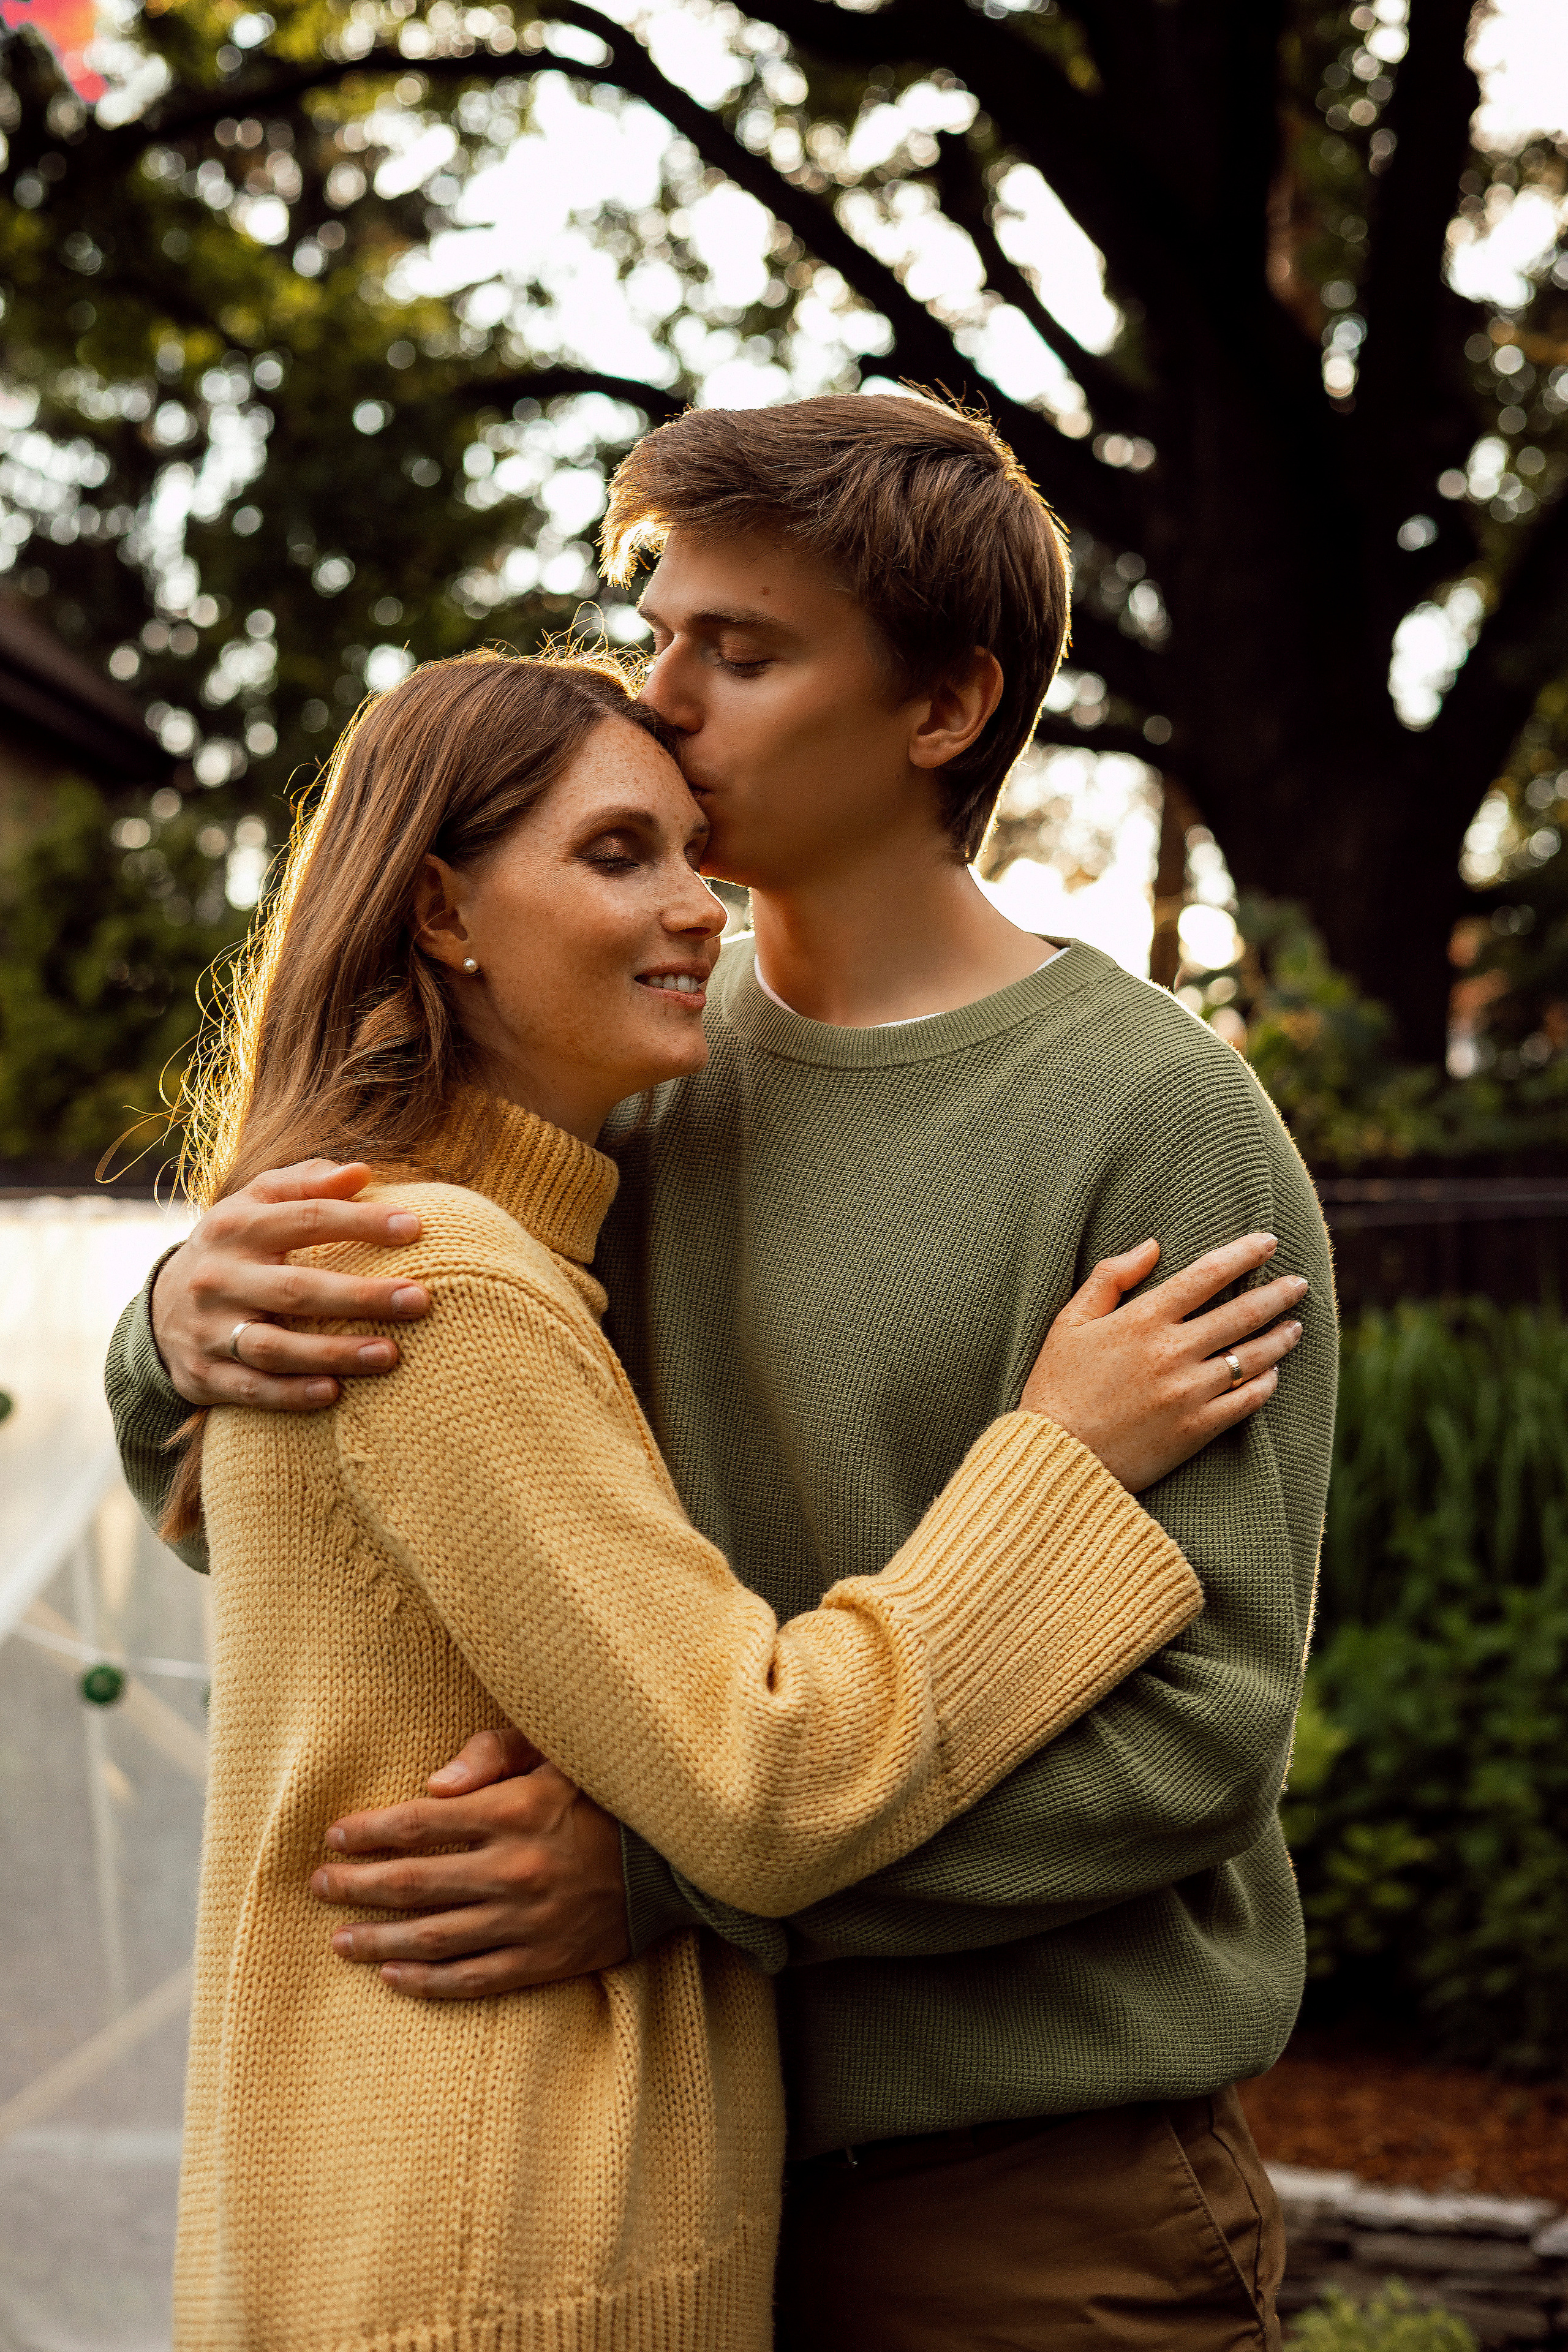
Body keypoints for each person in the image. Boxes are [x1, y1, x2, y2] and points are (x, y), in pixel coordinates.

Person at [108, 394, 1335, 2350]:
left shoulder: (1154, 1126)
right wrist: (174, 1328)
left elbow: (1197, 1739)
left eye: (739, 655)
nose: (663, 699)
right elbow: (399, 1513)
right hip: (641, 2169)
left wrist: (696, 1886)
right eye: (661, 631)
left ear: (944, 709)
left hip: (1008, 2184)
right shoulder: (626, 1051)